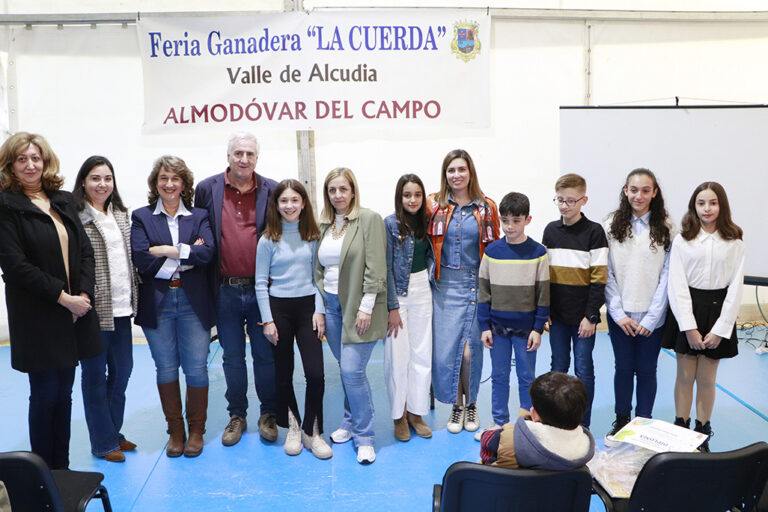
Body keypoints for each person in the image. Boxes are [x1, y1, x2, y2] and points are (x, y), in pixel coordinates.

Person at [0, 132, 102, 469]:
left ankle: (63, 471)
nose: (30, 165)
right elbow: (15, 267)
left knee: (64, 395)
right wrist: (63, 298)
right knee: (44, 396)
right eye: (22, 159)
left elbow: (85, 251)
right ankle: (43, 477)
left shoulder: (60, 199)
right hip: (39, 317)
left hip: (73, 313)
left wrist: (83, 296)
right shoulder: (6, 206)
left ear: (45, 161)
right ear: (10, 165)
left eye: (36, 158)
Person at [194, 132, 278, 446]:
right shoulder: (206, 189)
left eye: (250, 154)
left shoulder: (271, 189)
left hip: (260, 292)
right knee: (231, 357)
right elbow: (201, 234)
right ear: (228, 155)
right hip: (224, 290)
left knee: (264, 356)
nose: (244, 160)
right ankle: (237, 415)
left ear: (257, 157)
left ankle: (268, 414)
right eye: (238, 153)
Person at [131, 155, 216, 458]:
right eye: (163, 178)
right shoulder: (141, 217)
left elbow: (208, 255)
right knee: (165, 366)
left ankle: (196, 431)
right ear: (156, 183)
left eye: (175, 179)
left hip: (194, 302)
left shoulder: (200, 215)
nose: (169, 184)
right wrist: (186, 255)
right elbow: (142, 259)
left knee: (195, 368)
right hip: (159, 302)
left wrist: (168, 251)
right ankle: (175, 432)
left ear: (184, 184)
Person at [663, 181, 744, 452]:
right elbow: (677, 285)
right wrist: (688, 327)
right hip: (689, 309)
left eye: (712, 203)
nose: (707, 209)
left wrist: (721, 328)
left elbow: (735, 288)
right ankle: (681, 429)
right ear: (693, 206)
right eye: (701, 203)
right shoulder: (683, 239)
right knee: (685, 375)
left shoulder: (734, 241)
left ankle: (702, 432)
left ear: (721, 205)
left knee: (707, 378)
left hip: (718, 310)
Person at [255, 179, 332, 459]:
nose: (289, 206)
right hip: (278, 310)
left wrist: (319, 310)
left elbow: (317, 278)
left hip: (307, 308)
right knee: (283, 373)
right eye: (283, 201)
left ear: (303, 204)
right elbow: (260, 282)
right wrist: (268, 320)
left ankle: (314, 430)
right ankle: (294, 427)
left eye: (294, 200)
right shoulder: (268, 240)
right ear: (276, 205)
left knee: (315, 374)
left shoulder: (312, 235)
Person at [315, 167, 387, 464]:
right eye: (332, 190)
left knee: (352, 372)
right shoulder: (324, 224)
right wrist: (320, 309)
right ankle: (348, 422)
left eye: (343, 189)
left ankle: (365, 437)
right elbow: (318, 271)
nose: (338, 195)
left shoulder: (368, 219)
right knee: (346, 370)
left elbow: (376, 266)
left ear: (353, 191)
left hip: (358, 308)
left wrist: (366, 307)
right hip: (331, 307)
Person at [427, 149, 500, 434]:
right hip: (444, 285)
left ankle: (472, 404)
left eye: (461, 169)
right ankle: (456, 407)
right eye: (451, 170)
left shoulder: (486, 207)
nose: (456, 175)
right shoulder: (434, 206)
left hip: (475, 284)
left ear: (471, 173)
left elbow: (494, 251)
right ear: (445, 174)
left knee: (470, 353)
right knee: (448, 352)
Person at [73, 156, 138, 462]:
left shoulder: (122, 215)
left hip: (123, 308)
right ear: (83, 182)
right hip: (94, 311)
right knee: (95, 376)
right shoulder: (75, 217)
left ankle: (113, 431)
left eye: (107, 178)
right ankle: (102, 443)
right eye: (95, 178)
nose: (102, 184)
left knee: (123, 371)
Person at [604, 169, 676, 440]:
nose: (639, 195)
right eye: (634, 189)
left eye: (646, 190)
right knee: (623, 368)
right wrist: (618, 313)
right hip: (619, 316)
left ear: (655, 192)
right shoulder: (610, 224)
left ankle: (643, 423)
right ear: (625, 191)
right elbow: (607, 273)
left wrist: (652, 317)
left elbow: (668, 275)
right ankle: (622, 419)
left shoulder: (667, 227)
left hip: (652, 317)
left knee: (647, 370)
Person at [477, 192, 549, 439]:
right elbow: (483, 292)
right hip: (497, 329)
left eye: (516, 221)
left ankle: (526, 422)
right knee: (499, 376)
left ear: (527, 220)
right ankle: (499, 422)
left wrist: (538, 329)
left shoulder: (538, 252)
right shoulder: (492, 251)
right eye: (505, 220)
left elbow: (543, 295)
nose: (510, 226)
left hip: (526, 330)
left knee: (527, 377)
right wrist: (484, 326)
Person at [541, 173, 608, 428]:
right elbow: (544, 276)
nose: (564, 206)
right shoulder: (550, 231)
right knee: (557, 367)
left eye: (570, 201)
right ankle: (557, 419)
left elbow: (599, 278)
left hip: (582, 319)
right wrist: (544, 311)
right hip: (557, 316)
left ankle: (583, 423)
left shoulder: (594, 232)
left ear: (583, 200)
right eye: (560, 200)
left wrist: (591, 315)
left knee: (583, 369)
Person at [384, 174, 434, 442]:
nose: (412, 200)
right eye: (407, 195)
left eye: (417, 194)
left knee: (421, 354)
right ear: (399, 197)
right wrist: (392, 306)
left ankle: (416, 413)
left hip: (422, 290)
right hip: (399, 295)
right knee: (396, 357)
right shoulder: (390, 224)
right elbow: (387, 268)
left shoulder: (429, 222)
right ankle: (399, 415)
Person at [480, 371, 595, 470]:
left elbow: (486, 444)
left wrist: (523, 422)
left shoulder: (511, 439)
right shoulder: (585, 450)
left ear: (534, 414)